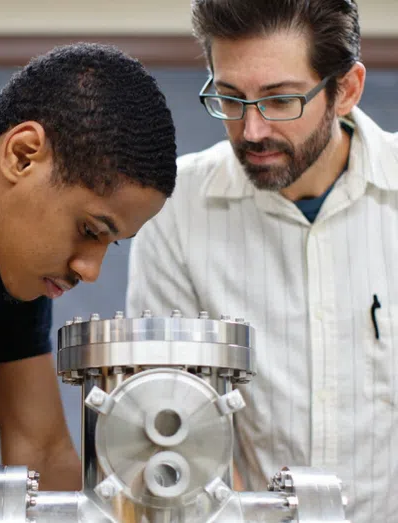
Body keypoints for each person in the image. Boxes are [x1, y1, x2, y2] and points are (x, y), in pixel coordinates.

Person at [126, 1, 398, 521]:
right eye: (230, 98)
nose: (250, 131)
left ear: (346, 89)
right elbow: (169, 434)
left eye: (280, 101)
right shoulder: (177, 211)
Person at [0, 42, 177, 491]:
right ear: (22, 155)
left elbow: (39, 450)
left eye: (111, 244)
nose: (91, 269)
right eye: (89, 229)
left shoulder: (4, 251)